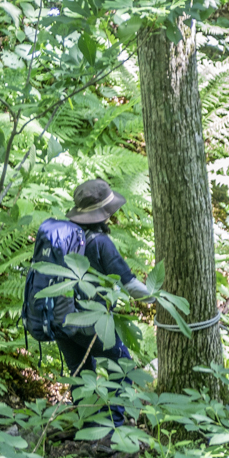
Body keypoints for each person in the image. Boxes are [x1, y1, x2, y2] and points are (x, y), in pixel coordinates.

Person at [48, 179, 151, 426]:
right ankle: (111, 426)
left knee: (80, 375)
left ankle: (89, 426)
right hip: (89, 321)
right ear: (103, 214)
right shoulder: (100, 242)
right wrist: (161, 298)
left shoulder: (63, 235)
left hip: (59, 319)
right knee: (122, 367)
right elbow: (132, 286)